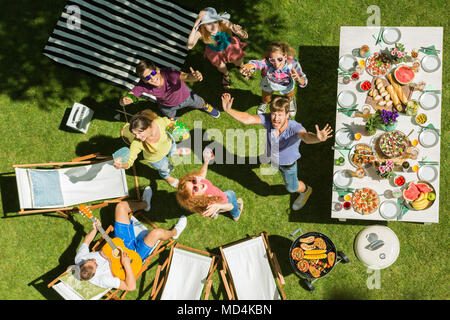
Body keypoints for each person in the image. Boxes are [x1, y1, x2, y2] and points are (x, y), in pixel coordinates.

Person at [221, 93, 333, 211]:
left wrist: (317, 138)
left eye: (280, 115)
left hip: (287, 166)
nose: (276, 118)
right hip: (272, 157)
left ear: (287, 115)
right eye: (274, 114)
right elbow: (249, 118)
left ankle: (306, 190)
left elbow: (305, 136)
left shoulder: (294, 127)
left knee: (292, 188)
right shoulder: (268, 119)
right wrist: (229, 110)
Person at [75, 188, 187, 290]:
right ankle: (174, 233)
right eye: (95, 264)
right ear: (94, 274)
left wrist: (94, 229)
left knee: (121, 207)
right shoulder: (103, 280)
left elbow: (87, 241)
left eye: (90, 260)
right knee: (156, 233)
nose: (94, 260)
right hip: (135, 255)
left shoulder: (80, 259)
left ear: (82, 264)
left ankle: (145, 204)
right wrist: (126, 263)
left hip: (120, 242)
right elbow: (131, 287)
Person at [119, 59, 220, 119]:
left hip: (186, 97)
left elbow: (186, 76)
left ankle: (206, 106)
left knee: (200, 103)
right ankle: (174, 123)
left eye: (153, 73)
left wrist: (195, 77)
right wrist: (123, 101)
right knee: (171, 117)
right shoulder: (143, 85)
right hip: (167, 106)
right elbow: (129, 96)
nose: (152, 78)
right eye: (147, 77)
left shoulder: (169, 73)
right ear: (144, 80)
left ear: (157, 70)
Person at [114, 109, 189, 188]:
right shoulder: (136, 143)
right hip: (157, 159)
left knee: (173, 150)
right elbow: (129, 162)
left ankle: (174, 152)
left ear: (148, 127)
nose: (137, 137)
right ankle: (167, 177)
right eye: (134, 134)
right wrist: (121, 165)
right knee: (165, 168)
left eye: (139, 133)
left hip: (169, 144)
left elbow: (170, 124)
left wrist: (175, 129)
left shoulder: (159, 122)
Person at [240, 41, 308, 117]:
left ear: (285, 56)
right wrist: (250, 66)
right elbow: (257, 63)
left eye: (279, 59)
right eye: (272, 60)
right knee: (266, 98)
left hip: (286, 85)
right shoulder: (267, 62)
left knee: (290, 96)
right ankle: (264, 104)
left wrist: (299, 79)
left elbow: (304, 81)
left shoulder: (293, 63)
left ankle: (291, 101)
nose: (276, 63)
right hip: (269, 83)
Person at [187, 7, 248, 89]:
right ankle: (226, 75)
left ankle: (242, 68)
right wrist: (197, 22)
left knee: (238, 61)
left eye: (215, 22)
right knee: (221, 67)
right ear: (203, 25)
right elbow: (189, 46)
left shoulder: (223, 22)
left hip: (231, 47)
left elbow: (245, 36)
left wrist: (240, 32)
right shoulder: (201, 32)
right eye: (209, 24)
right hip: (215, 52)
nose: (213, 26)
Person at [176, 148, 244, 221]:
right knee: (231, 194)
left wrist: (206, 161)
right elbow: (230, 206)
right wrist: (218, 205)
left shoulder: (200, 184)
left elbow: (202, 176)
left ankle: (214, 213)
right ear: (195, 198)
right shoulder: (209, 203)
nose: (198, 184)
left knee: (214, 210)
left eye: (193, 182)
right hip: (224, 201)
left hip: (217, 200)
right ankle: (236, 215)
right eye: (195, 189)